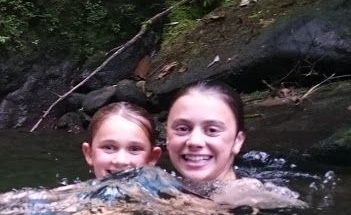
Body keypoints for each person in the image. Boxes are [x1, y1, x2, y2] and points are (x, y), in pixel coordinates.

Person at [165, 80, 301, 208]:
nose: (194, 141)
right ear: (167, 137)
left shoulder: (253, 200)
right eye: (182, 129)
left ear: (238, 141)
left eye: (212, 130)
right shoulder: (159, 183)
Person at [81, 102, 162, 179]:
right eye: (108, 147)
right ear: (89, 154)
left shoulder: (169, 192)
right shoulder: (73, 193)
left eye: (134, 149)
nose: (121, 161)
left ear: (152, 158)